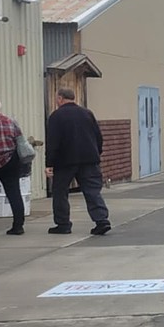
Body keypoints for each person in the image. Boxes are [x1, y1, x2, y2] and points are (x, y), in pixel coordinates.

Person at [45, 88, 111, 235]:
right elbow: (98, 137)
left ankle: (63, 224)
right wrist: (96, 153)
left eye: (57, 98)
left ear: (60, 98)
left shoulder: (56, 116)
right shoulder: (87, 113)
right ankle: (101, 220)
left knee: (60, 192)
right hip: (89, 159)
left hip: (65, 161)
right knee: (92, 191)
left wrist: (49, 163)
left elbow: (53, 142)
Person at [0, 98, 27, 235]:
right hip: (9, 161)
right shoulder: (10, 121)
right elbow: (20, 140)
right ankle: (18, 226)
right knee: (14, 193)